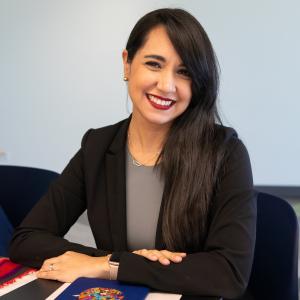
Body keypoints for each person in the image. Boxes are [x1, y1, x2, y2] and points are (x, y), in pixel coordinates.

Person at [9, 8, 256, 299]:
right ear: (127, 64)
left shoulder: (225, 152)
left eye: (184, 72)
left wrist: (108, 265)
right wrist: (109, 265)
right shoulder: (98, 147)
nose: (166, 85)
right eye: (154, 64)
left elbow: (228, 273)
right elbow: (27, 239)